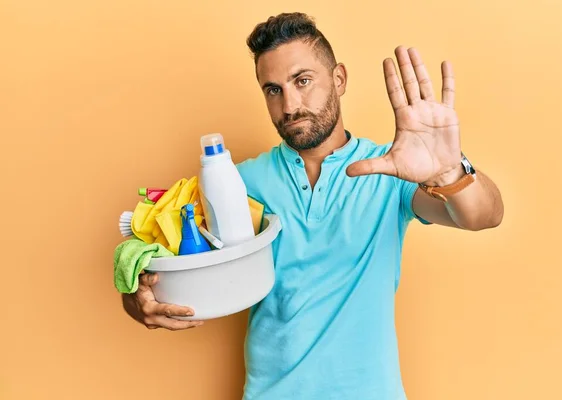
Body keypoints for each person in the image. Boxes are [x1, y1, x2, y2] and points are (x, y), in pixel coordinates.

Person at [122, 12, 504, 400]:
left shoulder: (392, 170)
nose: (289, 105)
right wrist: (138, 300)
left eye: (302, 81)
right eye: (273, 89)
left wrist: (448, 171)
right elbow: (169, 259)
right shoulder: (237, 182)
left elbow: (483, 216)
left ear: (338, 79)